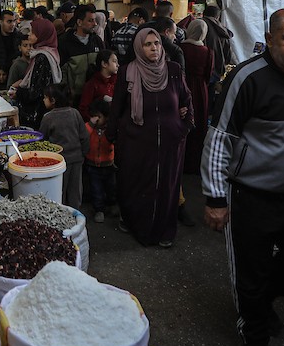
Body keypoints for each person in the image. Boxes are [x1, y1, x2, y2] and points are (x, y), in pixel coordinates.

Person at [201, 8, 284, 346]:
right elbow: (219, 139)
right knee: (250, 274)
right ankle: (254, 339)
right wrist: (216, 198)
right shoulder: (247, 78)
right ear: (269, 39)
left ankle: (260, 303)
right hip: (253, 196)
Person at [107, 27, 192, 248]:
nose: (154, 48)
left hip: (170, 142)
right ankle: (137, 225)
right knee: (136, 184)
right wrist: (112, 135)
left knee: (167, 185)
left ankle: (164, 230)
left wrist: (183, 126)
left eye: (157, 43)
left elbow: (186, 99)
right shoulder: (127, 72)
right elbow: (117, 107)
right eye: (148, 44)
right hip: (135, 141)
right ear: (138, 47)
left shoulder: (173, 70)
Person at [38, 84, 90, 208]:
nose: (43, 100)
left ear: (53, 100)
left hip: (58, 162)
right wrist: (83, 154)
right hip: (77, 159)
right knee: (75, 191)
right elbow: (85, 136)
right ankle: (76, 216)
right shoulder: (75, 113)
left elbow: (41, 140)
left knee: (59, 190)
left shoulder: (48, 117)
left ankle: (60, 214)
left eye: (45, 97)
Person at [9, 17, 62, 129]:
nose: (29, 35)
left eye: (33, 32)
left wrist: (18, 93)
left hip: (37, 113)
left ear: (42, 34)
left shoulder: (42, 57)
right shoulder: (49, 52)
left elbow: (36, 91)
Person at [180, 19, 213, 174]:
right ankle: (197, 161)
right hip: (200, 90)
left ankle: (183, 160)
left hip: (182, 87)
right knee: (199, 122)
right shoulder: (207, 51)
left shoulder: (180, 48)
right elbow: (208, 74)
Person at [59, 5, 104, 103]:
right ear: (79, 22)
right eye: (90, 20)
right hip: (75, 98)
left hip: (96, 96)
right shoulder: (65, 42)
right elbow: (62, 71)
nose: (95, 24)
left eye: (95, 20)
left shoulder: (96, 41)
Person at [85, 98, 116, 223]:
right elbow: (83, 135)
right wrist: (91, 124)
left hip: (108, 164)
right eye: (93, 116)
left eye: (98, 116)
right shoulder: (89, 127)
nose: (95, 119)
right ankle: (99, 210)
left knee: (111, 187)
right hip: (92, 165)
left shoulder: (109, 129)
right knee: (96, 189)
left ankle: (112, 205)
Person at [78, 49, 118, 119]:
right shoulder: (92, 85)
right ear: (104, 64)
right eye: (114, 61)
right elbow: (83, 109)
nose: (118, 65)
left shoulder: (118, 81)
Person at [203, 5, 234, 85]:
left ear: (203, 14)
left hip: (202, 69)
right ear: (218, 17)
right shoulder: (223, 31)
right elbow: (228, 55)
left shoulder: (200, 25)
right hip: (217, 69)